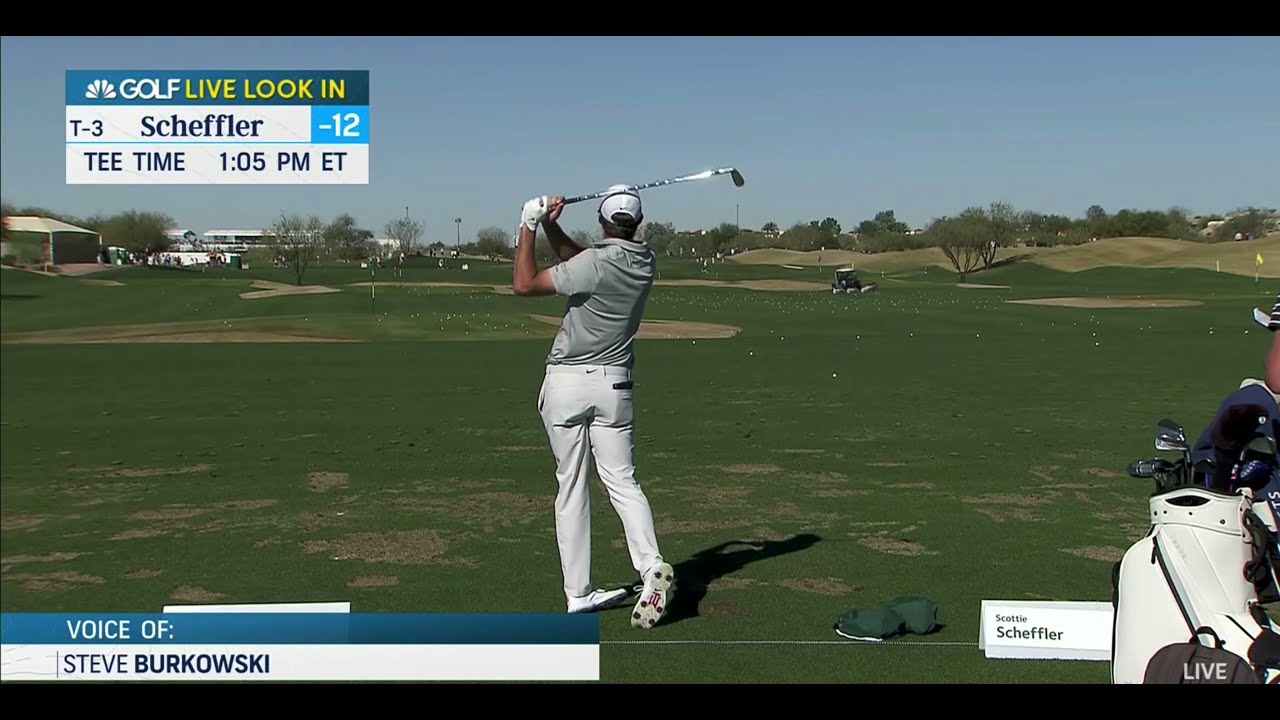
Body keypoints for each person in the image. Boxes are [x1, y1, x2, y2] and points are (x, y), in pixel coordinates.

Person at [511, 188, 675, 629]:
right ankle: (650, 565)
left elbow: (524, 284)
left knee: (572, 486)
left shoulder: (593, 263)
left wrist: (528, 224)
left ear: (602, 223)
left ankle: (578, 593)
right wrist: (550, 226)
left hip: (567, 384)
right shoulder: (644, 262)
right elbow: (580, 260)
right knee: (622, 480)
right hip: (615, 385)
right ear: (635, 225)